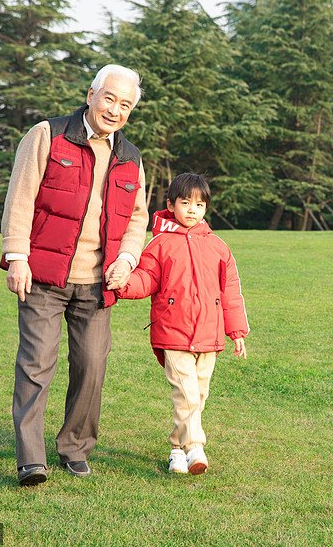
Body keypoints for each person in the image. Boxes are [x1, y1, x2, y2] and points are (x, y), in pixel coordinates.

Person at [1, 64, 149, 486]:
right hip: (44, 276)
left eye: (125, 105)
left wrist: (127, 259)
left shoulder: (131, 157)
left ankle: (75, 448)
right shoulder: (48, 134)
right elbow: (21, 196)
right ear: (90, 95)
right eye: (109, 99)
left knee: (91, 367)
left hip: (98, 283)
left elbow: (137, 219)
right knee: (35, 365)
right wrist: (17, 256)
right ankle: (31, 459)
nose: (115, 110)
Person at [113, 173, 249, 475]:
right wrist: (123, 283)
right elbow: (146, 278)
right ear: (170, 204)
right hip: (172, 333)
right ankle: (195, 447)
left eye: (199, 204)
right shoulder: (160, 244)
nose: (192, 210)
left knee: (198, 396)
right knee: (185, 393)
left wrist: (236, 331)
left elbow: (230, 291)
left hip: (209, 335)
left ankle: (177, 449)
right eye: (185, 203)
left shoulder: (218, 247)